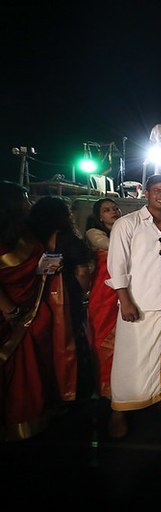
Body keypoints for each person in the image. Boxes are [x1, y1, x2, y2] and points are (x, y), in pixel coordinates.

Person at [106, 174, 161, 438]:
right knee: (129, 359)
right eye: (157, 191)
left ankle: (159, 396)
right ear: (146, 193)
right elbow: (117, 265)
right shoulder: (127, 224)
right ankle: (119, 410)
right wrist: (125, 300)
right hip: (138, 303)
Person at [0, 181, 55, 441]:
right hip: (9, 313)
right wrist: (9, 309)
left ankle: (26, 420)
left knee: (27, 371)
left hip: (30, 306)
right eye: (23, 198)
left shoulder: (26, 230)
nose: (28, 203)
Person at [29, 196, 94, 402]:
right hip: (66, 295)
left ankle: (50, 391)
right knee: (72, 337)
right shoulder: (68, 239)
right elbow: (82, 271)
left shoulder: (30, 238)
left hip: (36, 296)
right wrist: (84, 291)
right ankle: (74, 390)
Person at [85, 198, 122, 398]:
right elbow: (114, 247)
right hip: (103, 294)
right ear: (99, 216)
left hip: (121, 292)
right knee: (103, 338)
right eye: (107, 210)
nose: (113, 212)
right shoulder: (94, 233)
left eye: (115, 208)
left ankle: (121, 385)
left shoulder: (123, 231)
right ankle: (104, 387)